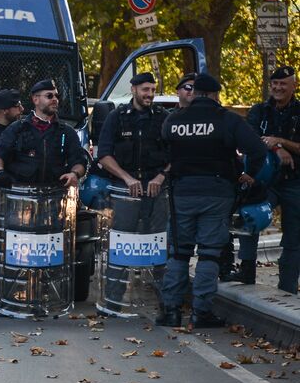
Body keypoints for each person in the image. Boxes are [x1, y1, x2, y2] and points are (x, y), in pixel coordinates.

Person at [156, 72, 270, 329]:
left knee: (179, 253)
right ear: (214, 94)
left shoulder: (173, 120)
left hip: (182, 192)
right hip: (217, 193)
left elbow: (162, 150)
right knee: (209, 254)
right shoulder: (227, 120)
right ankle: (201, 312)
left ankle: (171, 310)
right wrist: (248, 175)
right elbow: (258, 149)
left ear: (195, 93)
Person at [235, 66, 300, 289]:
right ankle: (246, 271)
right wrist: (276, 148)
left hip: (294, 181)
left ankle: (288, 288)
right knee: (250, 216)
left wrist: (280, 141)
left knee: (294, 238)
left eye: (283, 84)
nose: (278, 88)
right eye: (275, 84)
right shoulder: (259, 111)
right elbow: (249, 141)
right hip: (265, 180)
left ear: (294, 85)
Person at [0, 79, 88, 189]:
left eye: (56, 96)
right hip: (21, 195)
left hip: (55, 195)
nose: (55, 99)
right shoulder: (17, 128)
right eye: (49, 96)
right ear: (36, 99)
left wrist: (74, 174)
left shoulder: (67, 131)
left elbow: (80, 161)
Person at [95, 72, 169, 198]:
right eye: (145, 89)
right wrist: (127, 178)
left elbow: (177, 153)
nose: (150, 94)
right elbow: (104, 155)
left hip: (158, 190)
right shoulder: (116, 117)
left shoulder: (164, 117)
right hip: (123, 188)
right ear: (133, 90)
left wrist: (161, 176)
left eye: (153, 90)